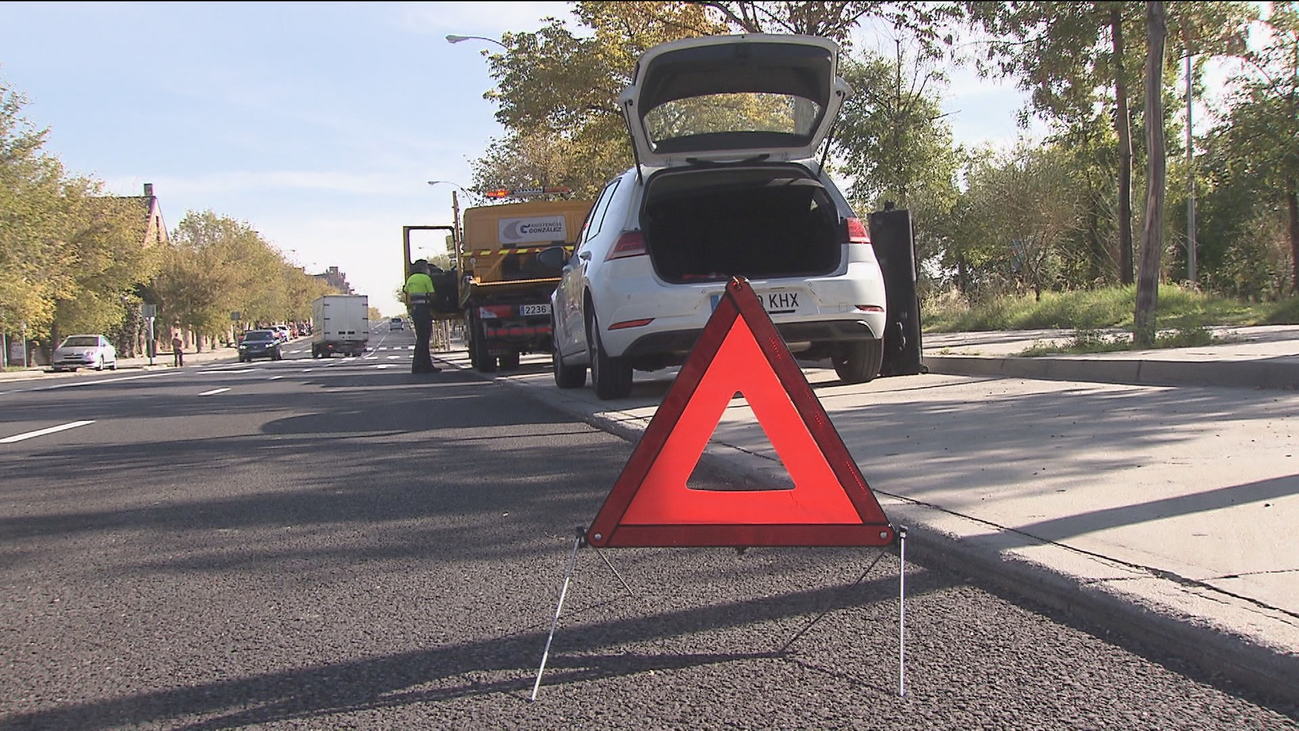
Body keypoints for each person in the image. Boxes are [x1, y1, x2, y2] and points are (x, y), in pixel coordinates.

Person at [404, 259, 440, 374]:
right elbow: (433, 295)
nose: (428, 269)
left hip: (415, 311)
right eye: (426, 267)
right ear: (423, 268)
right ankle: (418, 366)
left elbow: (406, 290)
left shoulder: (411, 279)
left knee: (421, 338)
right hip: (424, 310)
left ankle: (427, 365)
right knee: (423, 339)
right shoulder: (426, 278)